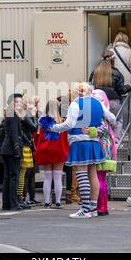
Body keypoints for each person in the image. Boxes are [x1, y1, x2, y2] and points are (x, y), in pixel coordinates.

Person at [50, 82, 116, 218]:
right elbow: (112, 119)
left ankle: (85, 210)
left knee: (81, 173)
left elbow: (69, 124)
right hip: (95, 142)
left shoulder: (75, 104)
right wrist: (96, 128)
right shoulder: (98, 103)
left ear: (76, 92)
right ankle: (93, 208)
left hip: (79, 141)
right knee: (93, 174)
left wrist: (53, 127)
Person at [89, 50, 131, 143]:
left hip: (99, 102)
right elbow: (121, 90)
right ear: (113, 60)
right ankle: (116, 142)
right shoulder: (117, 73)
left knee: (100, 121)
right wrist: (130, 86)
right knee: (118, 120)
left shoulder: (95, 72)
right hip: (113, 102)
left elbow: (90, 86)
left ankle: (101, 141)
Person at [34, 100, 69, 209]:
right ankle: (58, 202)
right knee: (57, 177)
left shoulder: (42, 122)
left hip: (46, 151)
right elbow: (67, 139)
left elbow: (36, 137)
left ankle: (47, 202)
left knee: (47, 177)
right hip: (59, 151)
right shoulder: (62, 122)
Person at [91, 89, 117, 216]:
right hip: (106, 147)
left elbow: (100, 130)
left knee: (98, 178)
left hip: (100, 148)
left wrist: (88, 131)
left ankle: (100, 206)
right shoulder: (107, 116)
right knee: (101, 179)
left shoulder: (99, 117)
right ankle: (103, 206)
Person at [0, 93, 24, 211]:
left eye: (21, 102)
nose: (20, 104)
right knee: (14, 176)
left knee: (7, 177)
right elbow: (14, 134)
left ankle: (7, 203)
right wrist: (17, 149)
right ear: (12, 103)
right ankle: (13, 203)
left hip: (6, 148)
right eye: (17, 102)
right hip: (12, 149)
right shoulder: (13, 115)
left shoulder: (9, 114)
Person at [16, 96, 37, 209]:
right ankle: (20, 197)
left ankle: (21, 197)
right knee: (22, 173)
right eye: (28, 102)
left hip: (24, 144)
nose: (29, 105)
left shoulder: (21, 114)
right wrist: (33, 115)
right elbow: (34, 128)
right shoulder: (24, 114)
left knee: (23, 174)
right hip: (24, 144)